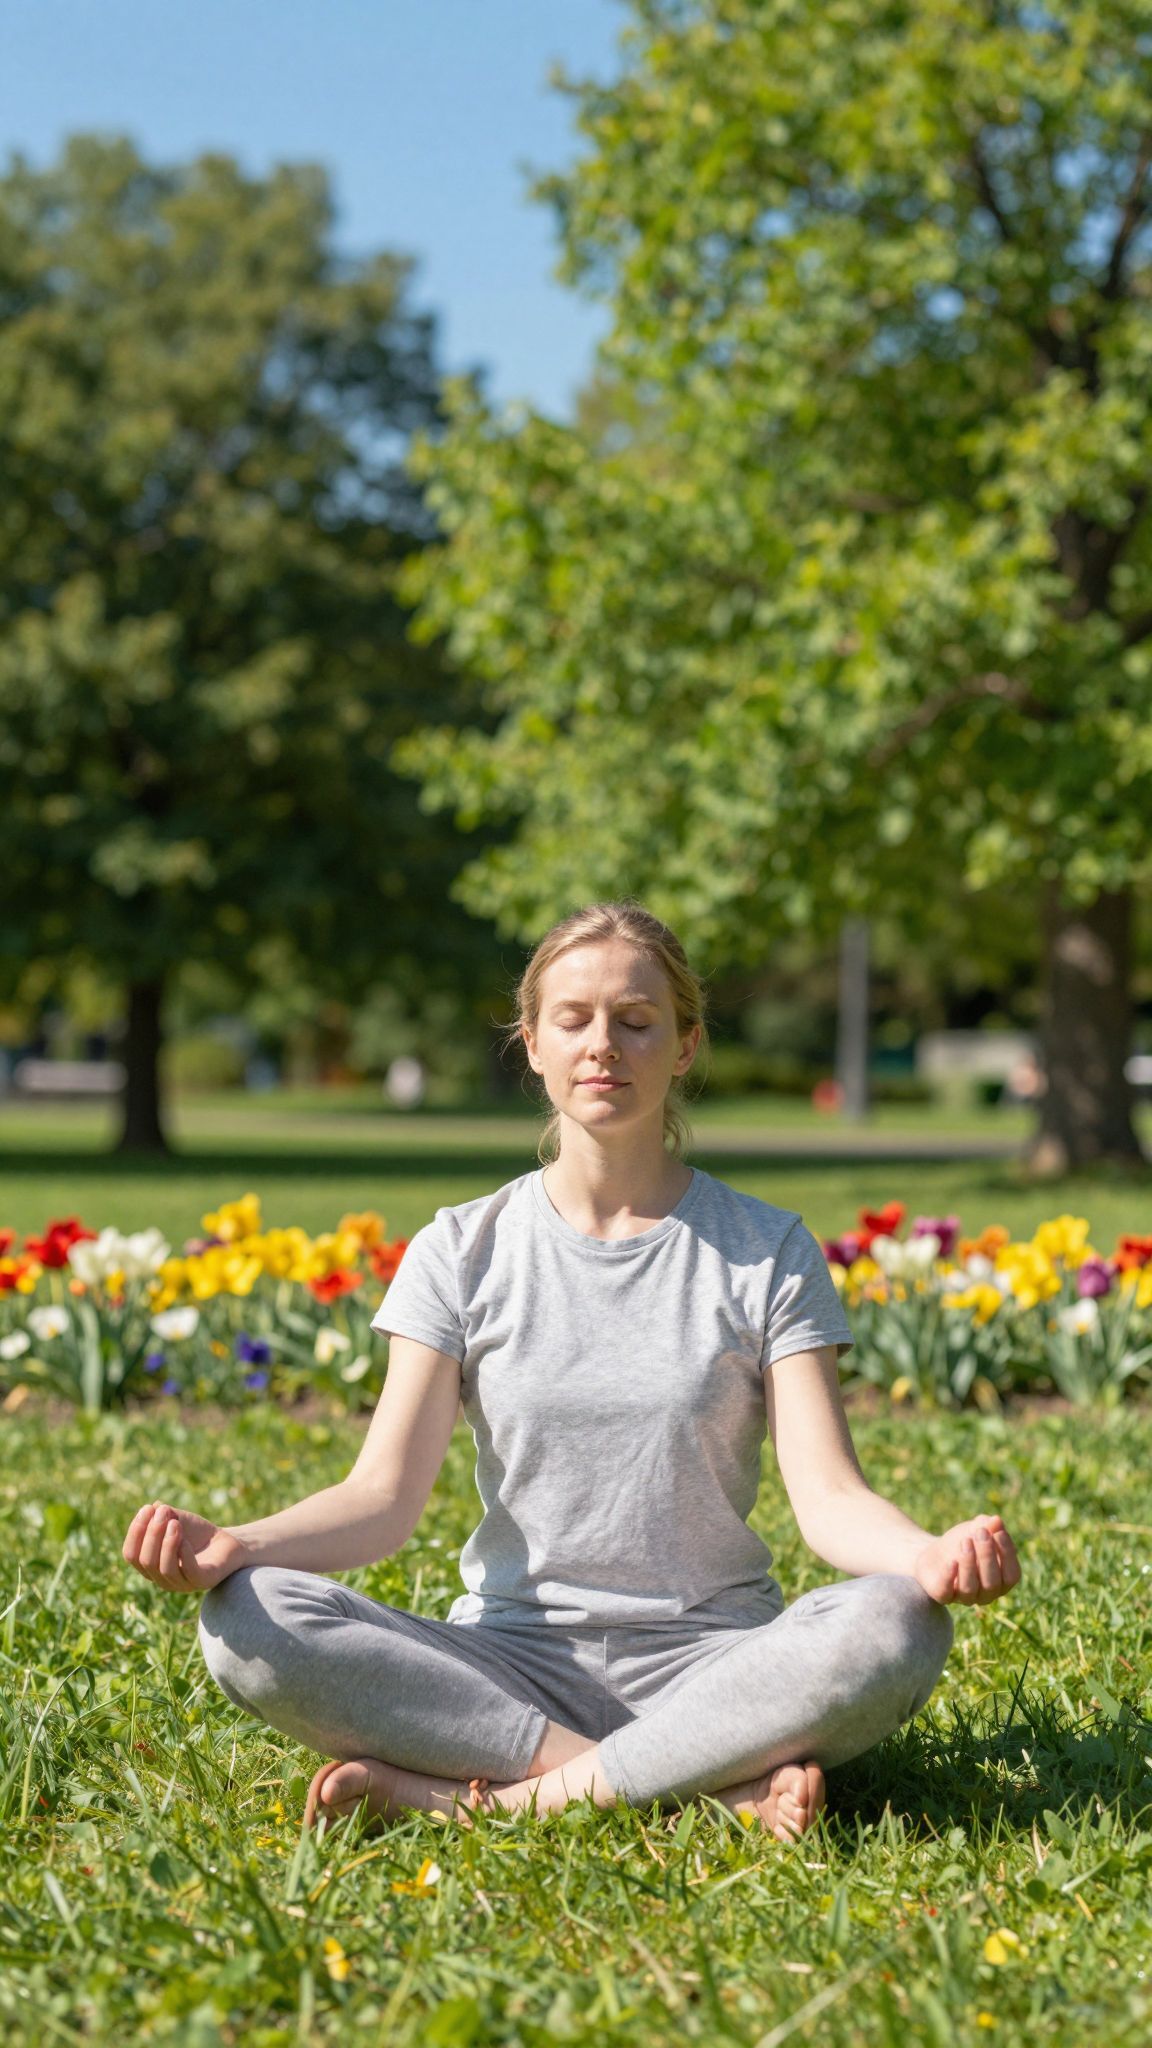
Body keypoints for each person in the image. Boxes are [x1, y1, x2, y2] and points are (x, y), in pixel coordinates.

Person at [122, 901, 1021, 1843]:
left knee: (899, 1625)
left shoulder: (767, 1250)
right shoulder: (460, 1248)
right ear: (534, 1044)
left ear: (683, 1047)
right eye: (575, 1020)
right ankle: (694, 1784)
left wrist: (924, 1559)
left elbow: (830, 1499)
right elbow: (382, 1497)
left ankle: (495, 1803)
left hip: (715, 1660)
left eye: (637, 1021)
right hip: (509, 1665)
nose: (605, 1046)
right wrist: (240, 1546)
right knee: (251, 1618)